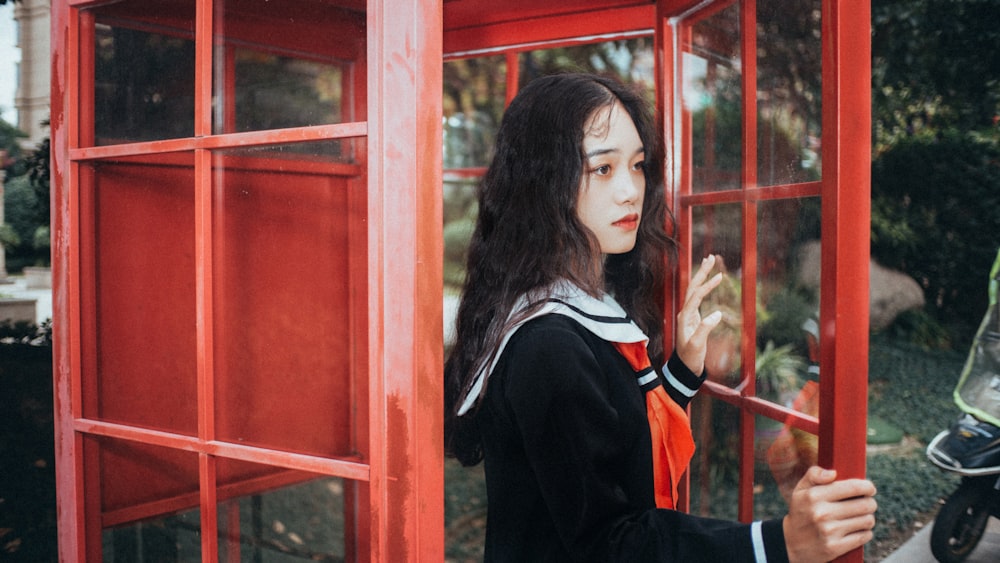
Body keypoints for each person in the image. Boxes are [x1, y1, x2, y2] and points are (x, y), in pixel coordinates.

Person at [444, 72, 877, 563]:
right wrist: (778, 543)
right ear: (545, 183)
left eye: (638, 165)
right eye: (602, 169)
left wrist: (682, 371)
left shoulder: (576, 308)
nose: (631, 189)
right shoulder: (549, 345)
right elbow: (611, 541)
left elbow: (612, 451)